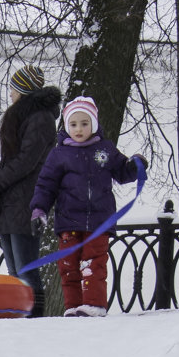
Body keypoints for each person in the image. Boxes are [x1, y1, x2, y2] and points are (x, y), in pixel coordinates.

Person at [29, 96, 143, 317]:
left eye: (84, 123)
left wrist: (135, 165)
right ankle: (73, 307)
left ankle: (94, 304)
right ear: (65, 125)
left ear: (94, 124)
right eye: (73, 124)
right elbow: (45, 185)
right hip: (68, 220)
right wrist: (39, 210)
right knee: (69, 265)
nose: (79, 129)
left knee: (93, 262)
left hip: (99, 221)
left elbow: (122, 172)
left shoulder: (105, 149)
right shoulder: (59, 154)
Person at [0, 66, 62, 317]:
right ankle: (21, 317)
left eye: (14, 88)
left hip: (27, 200)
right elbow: (13, 160)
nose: (10, 93)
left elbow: (26, 161)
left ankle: (34, 320)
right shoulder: (28, 117)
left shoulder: (39, 119)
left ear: (24, 90)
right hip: (12, 202)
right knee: (16, 270)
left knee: (26, 268)